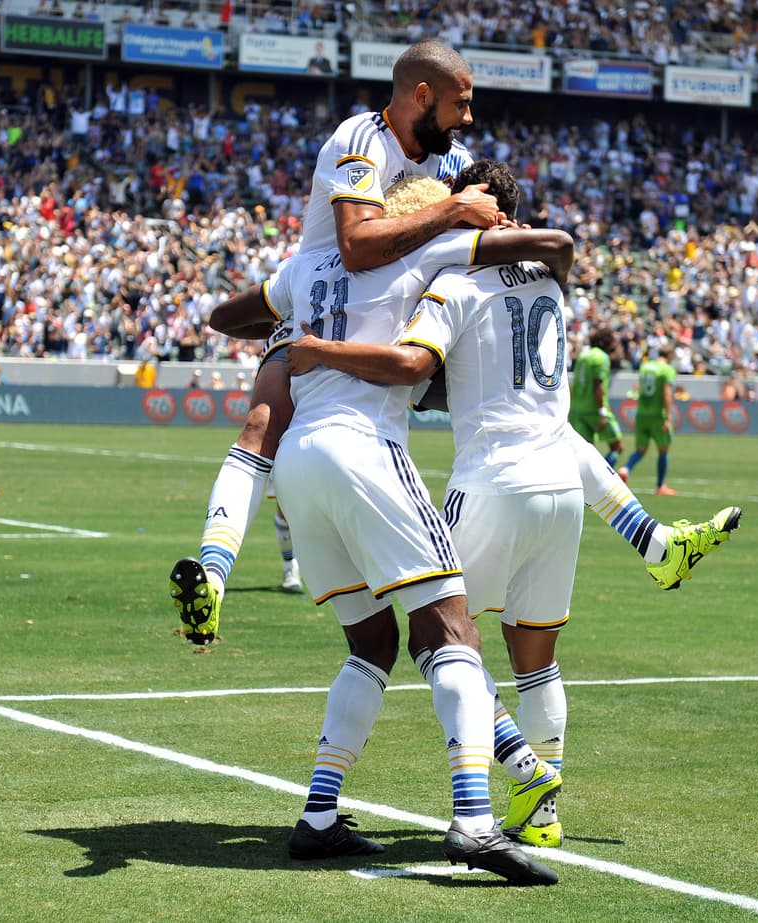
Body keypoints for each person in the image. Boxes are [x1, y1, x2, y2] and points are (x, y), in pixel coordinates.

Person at [287, 161, 589, 849]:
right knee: (537, 658)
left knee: (438, 636)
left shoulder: (453, 281)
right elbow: (557, 249)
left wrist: (319, 349)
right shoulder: (550, 277)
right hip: (562, 487)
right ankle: (542, 812)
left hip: (492, 481)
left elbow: (414, 365)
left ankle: (503, 787)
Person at [168, 40, 503, 644]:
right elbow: (356, 246)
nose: (469, 117)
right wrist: (452, 211)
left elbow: (486, 221)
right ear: (421, 95)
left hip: (394, 318)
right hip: (320, 308)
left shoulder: (455, 161)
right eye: (460, 103)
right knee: (262, 425)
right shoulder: (360, 138)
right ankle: (213, 576)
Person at [619, 342, 678, 494]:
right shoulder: (667, 369)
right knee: (663, 450)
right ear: (670, 355)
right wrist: (668, 417)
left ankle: (626, 469)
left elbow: (638, 388)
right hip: (657, 415)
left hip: (641, 414)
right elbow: (667, 394)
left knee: (641, 449)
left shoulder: (645, 367)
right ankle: (660, 486)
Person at [568, 327, 624, 467]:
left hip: (577, 410)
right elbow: (598, 386)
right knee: (617, 447)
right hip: (594, 410)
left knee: (586, 453)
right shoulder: (601, 357)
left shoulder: (583, 356)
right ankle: (604, 475)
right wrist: (602, 411)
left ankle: (588, 478)